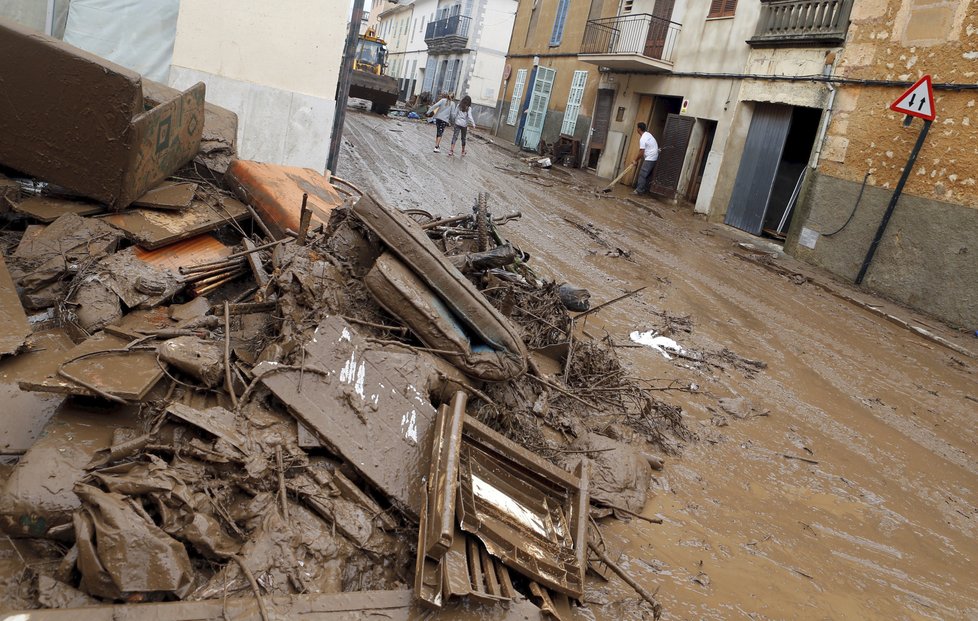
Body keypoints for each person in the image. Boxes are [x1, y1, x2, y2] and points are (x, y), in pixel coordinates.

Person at [632, 122, 659, 195]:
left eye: (637, 128)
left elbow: (641, 151)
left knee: (642, 174)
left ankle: (639, 190)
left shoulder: (643, 138)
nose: (636, 129)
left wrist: (635, 160)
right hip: (654, 157)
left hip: (650, 157)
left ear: (639, 129)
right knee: (647, 175)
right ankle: (644, 190)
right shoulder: (648, 134)